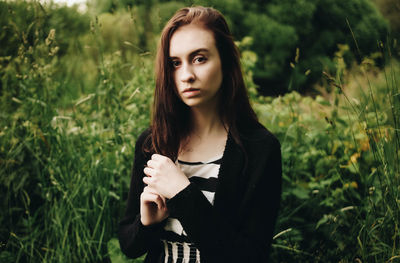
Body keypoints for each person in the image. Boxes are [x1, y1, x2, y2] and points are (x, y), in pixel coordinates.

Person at [118, 6, 282, 263]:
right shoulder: (153, 143)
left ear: (225, 61)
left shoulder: (260, 149)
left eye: (199, 58)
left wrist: (183, 192)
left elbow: (249, 255)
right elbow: (129, 246)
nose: (186, 75)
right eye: (175, 63)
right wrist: (147, 223)